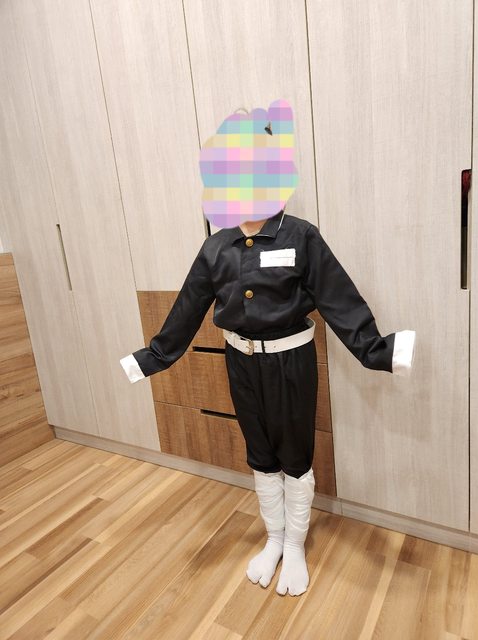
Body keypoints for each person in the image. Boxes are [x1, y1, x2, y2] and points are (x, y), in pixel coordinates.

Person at [120, 207, 416, 597]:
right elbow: (188, 308)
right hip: (239, 362)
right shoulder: (215, 247)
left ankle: (294, 545)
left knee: (294, 454)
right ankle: (274, 538)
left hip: (290, 362)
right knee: (259, 453)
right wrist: (152, 358)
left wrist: (376, 351)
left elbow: (338, 297)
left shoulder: (300, 235)